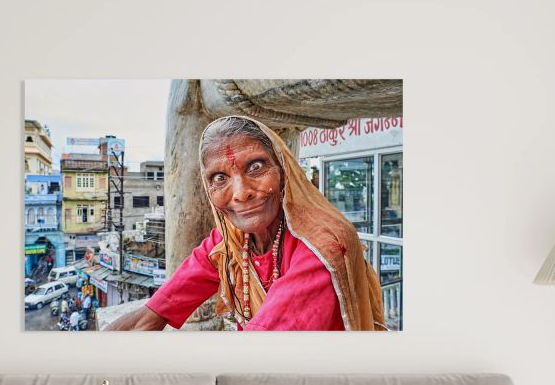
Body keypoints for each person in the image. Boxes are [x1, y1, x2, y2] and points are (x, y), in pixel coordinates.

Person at [107, 115, 385, 331]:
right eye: (219, 178)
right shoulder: (231, 242)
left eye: (256, 167)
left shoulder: (323, 247)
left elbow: (256, 358)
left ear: (284, 171)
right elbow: (149, 318)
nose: (241, 193)